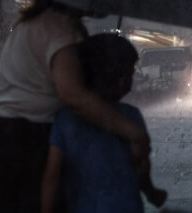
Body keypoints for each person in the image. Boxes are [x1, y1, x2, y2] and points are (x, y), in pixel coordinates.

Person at [0, 0, 150, 213]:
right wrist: (132, 131)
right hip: (28, 137)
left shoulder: (33, 24)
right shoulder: (60, 28)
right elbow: (73, 96)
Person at [41, 33, 167, 213]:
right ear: (123, 79)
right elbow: (141, 169)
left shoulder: (65, 119)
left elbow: (52, 175)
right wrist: (151, 193)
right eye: (131, 72)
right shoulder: (131, 117)